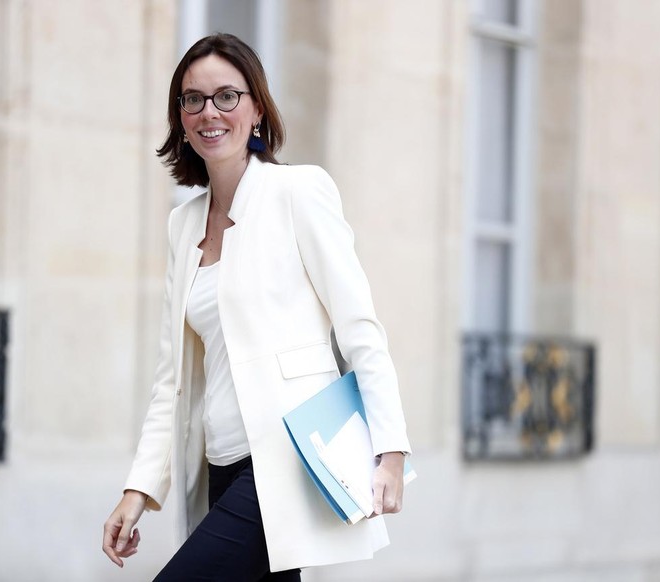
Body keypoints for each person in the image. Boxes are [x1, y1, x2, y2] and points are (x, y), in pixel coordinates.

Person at [102, 33, 411, 581]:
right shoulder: (182, 225)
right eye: (192, 99)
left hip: (286, 461)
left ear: (257, 108)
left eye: (227, 95)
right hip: (218, 466)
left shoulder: (299, 192)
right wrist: (139, 489)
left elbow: (360, 327)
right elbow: (170, 377)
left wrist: (390, 450)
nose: (209, 112)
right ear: (180, 117)